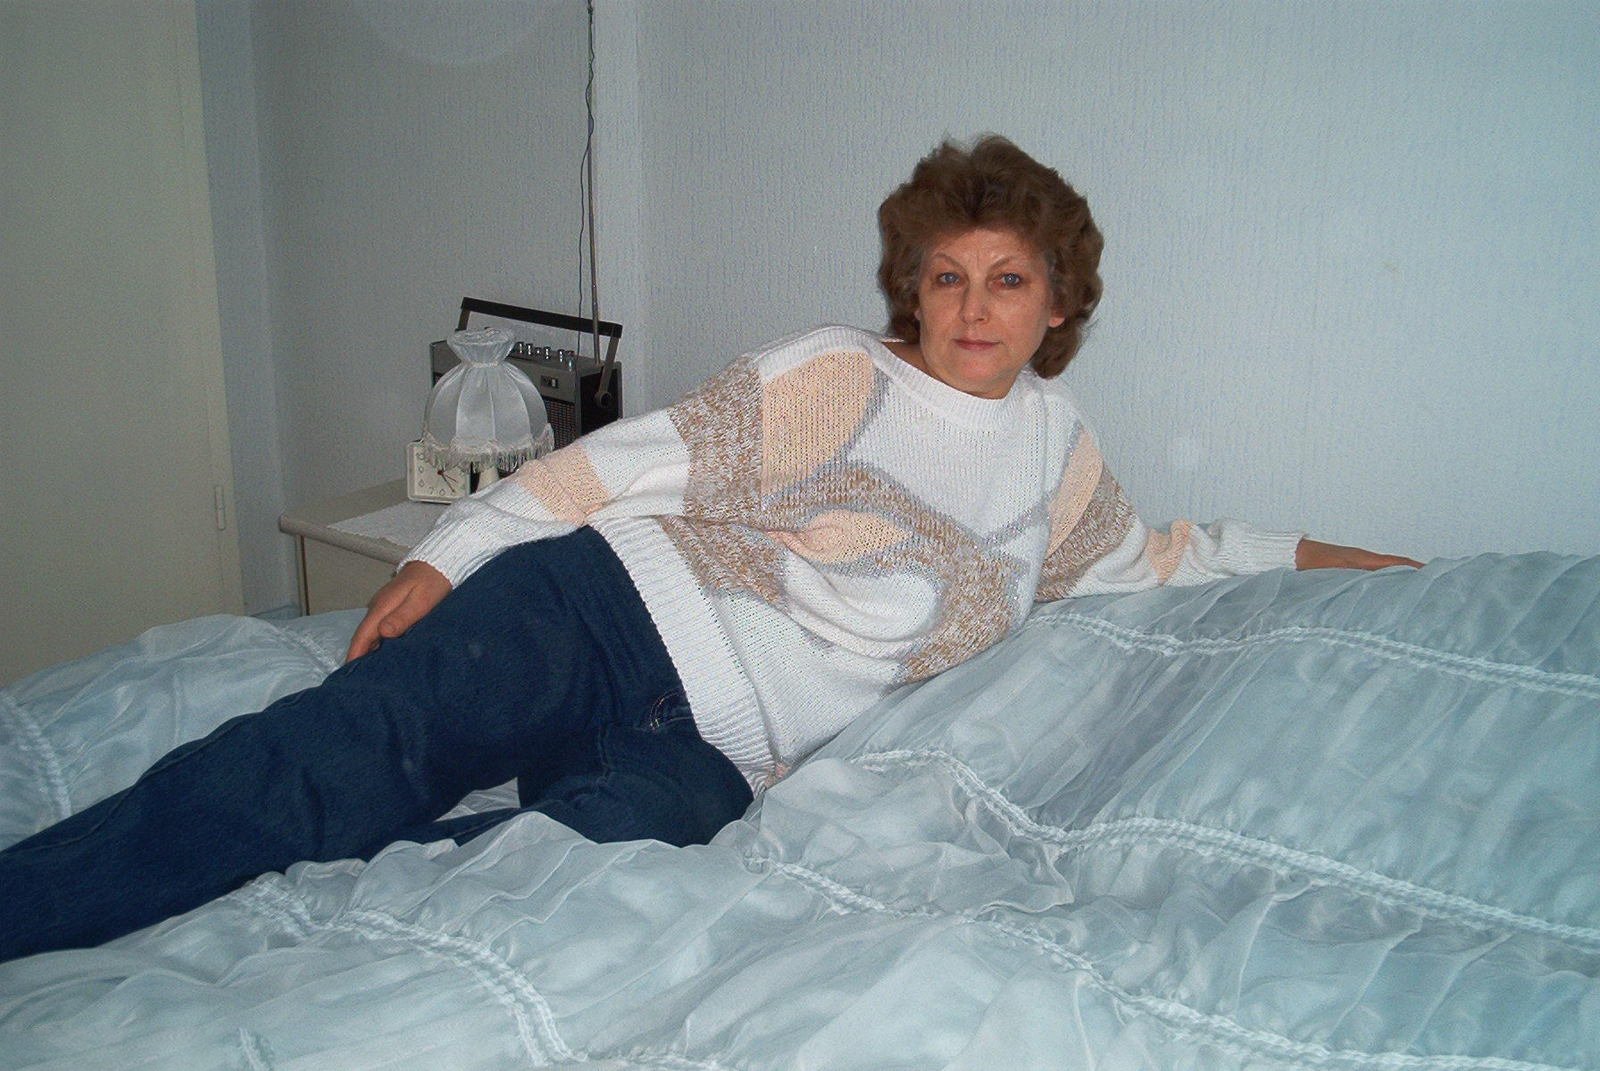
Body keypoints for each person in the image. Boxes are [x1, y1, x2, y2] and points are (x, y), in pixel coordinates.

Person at [0, 135, 1417, 962]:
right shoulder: (840, 378)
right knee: (329, 759)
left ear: (1060, 305)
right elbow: (632, 458)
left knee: (547, 876)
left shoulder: (1059, 461)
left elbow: (1177, 560)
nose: (974, 307)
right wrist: (453, 552)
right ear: (912, 288)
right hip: (604, 612)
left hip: (719, 755)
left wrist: (1394, 573)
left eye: (1009, 280)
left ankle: (263, 912)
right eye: (947, 276)